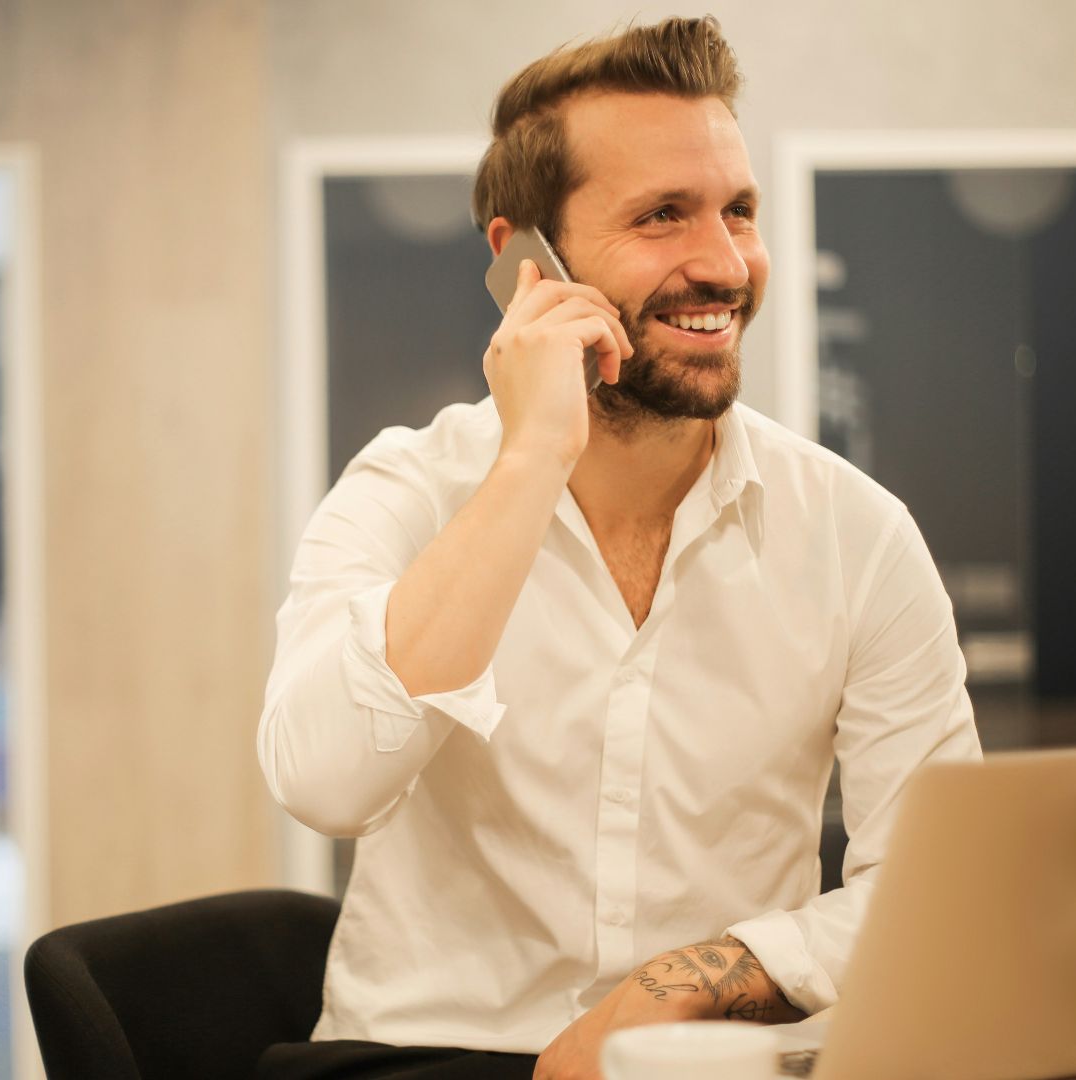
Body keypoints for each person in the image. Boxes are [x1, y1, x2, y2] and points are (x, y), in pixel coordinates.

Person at [256, 16, 981, 1080]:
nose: (725, 263)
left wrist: (689, 979)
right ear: (525, 263)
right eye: (663, 217)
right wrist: (531, 462)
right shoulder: (409, 490)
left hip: (709, 1059)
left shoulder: (856, 535)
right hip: (426, 1055)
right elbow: (324, 783)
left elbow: (933, 890)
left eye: (739, 211)